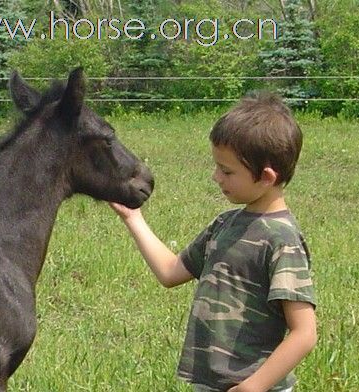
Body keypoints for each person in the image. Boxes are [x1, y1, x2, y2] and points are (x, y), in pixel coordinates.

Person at [110, 91, 317, 392]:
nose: (215, 177)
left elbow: (304, 333)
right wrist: (134, 219)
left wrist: (253, 386)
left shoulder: (282, 239)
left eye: (227, 171)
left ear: (267, 177)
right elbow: (170, 272)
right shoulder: (224, 224)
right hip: (210, 384)